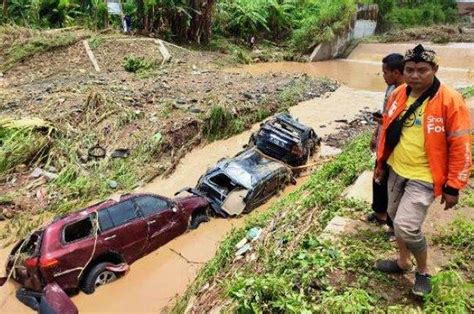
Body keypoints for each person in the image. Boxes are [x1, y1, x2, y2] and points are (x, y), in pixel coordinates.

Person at [374, 44, 471, 296]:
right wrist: (381, 164)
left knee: (407, 226)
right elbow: (388, 131)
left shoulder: (450, 100)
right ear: (403, 71)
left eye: (422, 70)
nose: (415, 75)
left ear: (435, 69)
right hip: (397, 168)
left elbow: (460, 145)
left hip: (426, 175)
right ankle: (403, 262)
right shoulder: (398, 95)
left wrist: (453, 186)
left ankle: (423, 270)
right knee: (395, 219)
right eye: (410, 70)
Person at [368, 53, 405, 233]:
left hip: (396, 145)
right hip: (384, 140)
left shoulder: (409, 93)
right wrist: (376, 133)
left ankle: (392, 225)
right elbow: (385, 114)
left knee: (393, 184)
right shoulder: (390, 89)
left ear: (396, 72)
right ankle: (379, 212)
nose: (383, 76)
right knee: (378, 177)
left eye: (385, 73)